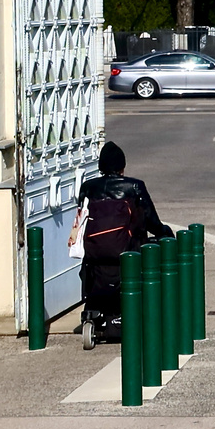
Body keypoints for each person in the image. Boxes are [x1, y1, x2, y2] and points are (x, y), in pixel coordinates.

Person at [73, 141, 173, 348]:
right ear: (122, 167)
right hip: (129, 253)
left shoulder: (88, 188)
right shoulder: (134, 187)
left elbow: (80, 218)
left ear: (101, 167)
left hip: (95, 257)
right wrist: (166, 233)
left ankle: (96, 318)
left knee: (95, 275)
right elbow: (151, 220)